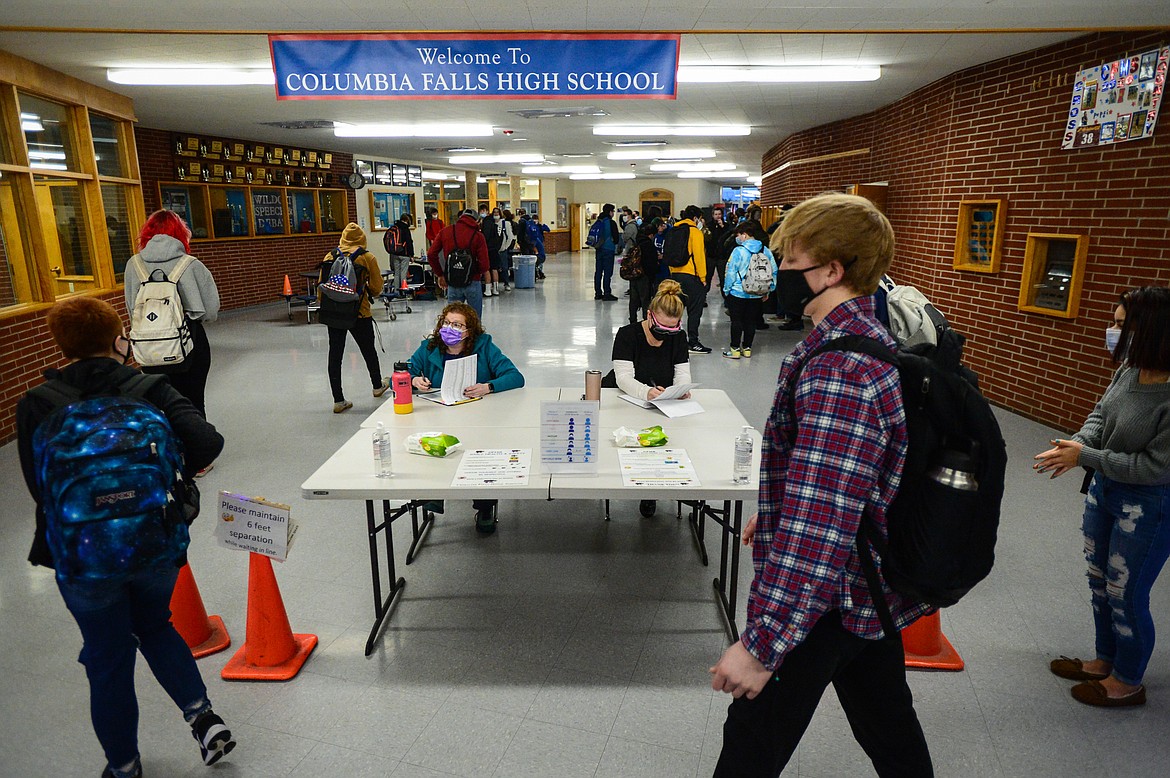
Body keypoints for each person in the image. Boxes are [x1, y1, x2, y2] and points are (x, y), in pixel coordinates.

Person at [710, 193, 933, 777]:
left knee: (751, 743)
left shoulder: (841, 368)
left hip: (826, 596)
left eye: (789, 262)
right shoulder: (859, 339)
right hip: (867, 585)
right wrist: (782, 508)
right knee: (889, 727)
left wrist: (762, 644)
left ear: (832, 271)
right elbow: (831, 484)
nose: (777, 273)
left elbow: (824, 520)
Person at [16, 296, 233, 778]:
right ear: (119, 339)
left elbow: (40, 486)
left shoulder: (38, 403)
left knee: (107, 657)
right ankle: (203, 719)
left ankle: (124, 765)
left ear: (62, 346)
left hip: (84, 558)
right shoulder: (149, 388)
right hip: (154, 543)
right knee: (155, 625)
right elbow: (208, 443)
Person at [1035, 285, 1170, 708]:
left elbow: (1155, 467)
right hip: (1106, 490)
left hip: (1147, 505)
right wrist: (1075, 445)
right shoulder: (1129, 370)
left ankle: (1128, 680)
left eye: (1119, 324)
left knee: (1126, 593)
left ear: (1151, 330)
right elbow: (1100, 415)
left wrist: (1087, 455)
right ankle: (1104, 659)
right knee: (1100, 583)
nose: (1112, 331)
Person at [407, 302, 525, 534]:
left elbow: (515, 376)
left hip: (479, 417)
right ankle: (434, 494)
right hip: (440, 415)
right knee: (434, 443)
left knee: (482, 452)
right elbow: (401, 373)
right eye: (447, 323)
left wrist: (488, 387)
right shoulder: (429, 348)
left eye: (457, 325)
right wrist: (413, 380)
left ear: (469, 331)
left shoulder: (485, 347)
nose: (450, 328)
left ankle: (484, 505)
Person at [604, 279, 692, 519]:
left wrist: (681, 389)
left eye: (672, 329)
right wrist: (647, 392)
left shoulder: (678, 337)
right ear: (650, 315)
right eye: (661, 327)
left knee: (663, 441)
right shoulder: (627, 335)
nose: (666, 333)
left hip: (660, 403)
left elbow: (683, 373)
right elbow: (623, 378)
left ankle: (651, 489)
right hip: (623, 399)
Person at [123, 210, 220, 421]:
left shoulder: (133, 265)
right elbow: (211, 311)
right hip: (190, 343)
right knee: (193, 400)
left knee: (160, 402)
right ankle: (195, 447)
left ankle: (167, 447)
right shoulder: (191, 265)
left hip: (149, 344)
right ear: (181, 234)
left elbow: (132, 309)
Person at [319, 222, 388, 413]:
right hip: (359, 311)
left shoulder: (330, 255)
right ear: (362, 239)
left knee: (335, 355)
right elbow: (376, 287)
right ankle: (377, 386)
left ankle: (338, 400)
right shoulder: (367, 257)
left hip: (334, 311)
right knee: (368, 350)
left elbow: (321, 285)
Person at [722, 220, 777, 359]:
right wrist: (768, 289)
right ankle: (747, 349)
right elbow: (774, 271)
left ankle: (734, 349)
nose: (738, 238)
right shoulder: (765, 250)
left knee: (737, 321)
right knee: (751, 321)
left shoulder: (738, 251)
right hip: (757, 292)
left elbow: (730, 272)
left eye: (739, 235)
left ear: (745, 235)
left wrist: (727, 290)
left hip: (738, 291)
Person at [426, 208, 490, 319]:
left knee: (452, 320)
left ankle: (454, 336)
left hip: (452, 282)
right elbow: (485, 265)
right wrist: (473, 272)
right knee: (474, 320)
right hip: (473, 282)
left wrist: (440, 274)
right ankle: (473, 336)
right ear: (476, 221)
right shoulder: (478, 236)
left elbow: (431, 254)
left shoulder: (446, 231)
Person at [669, 205, 712, 354]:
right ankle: (693, 342)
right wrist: (703, 277)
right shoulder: (695, 232)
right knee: (694, 310)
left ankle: (672, 339)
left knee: (676, 310)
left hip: (675, 275)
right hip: (692, 276)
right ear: (695, 218)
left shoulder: (674, 229)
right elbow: (699, 256)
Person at [628, 218, 663, 325]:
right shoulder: (648, 245)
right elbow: (651, 264)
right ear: (651, 235)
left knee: (633, 299)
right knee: (645, 300)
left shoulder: (636, 243)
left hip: (634, 275)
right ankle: (646, 321)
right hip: (644, 276)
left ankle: (632, 320)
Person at [593, 203, 621, 301]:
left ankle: (598, 293)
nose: (613, 213)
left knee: (598, 271)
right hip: (608, 249)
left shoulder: (599, 221)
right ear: (610, 212)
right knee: (608, 272)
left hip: (599, 249)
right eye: (613, 211)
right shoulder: (611, 223)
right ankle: (607, 293)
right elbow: (616, 238)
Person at [382, 212, 415, 295]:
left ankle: (396, 291)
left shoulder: (394, 227)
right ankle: (403, 292)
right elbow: (409, 242)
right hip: (404, 254)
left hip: (395, 254)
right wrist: (411, 255)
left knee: (397, 273)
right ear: (407, 220)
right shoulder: (405, 229)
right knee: (403, 274)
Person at [481, 207, 504, 296]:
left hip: (487, 249)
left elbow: (485, 236)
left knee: (486, 269)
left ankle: (488, 290)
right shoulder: (495, 224)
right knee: (494, 269)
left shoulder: (486, 222)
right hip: (495, 249)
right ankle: (495, 289)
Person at [499, 208, 517, 288]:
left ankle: (506, 282)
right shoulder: (492, 223)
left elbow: (510, 237)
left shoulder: (506, 224)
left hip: (503, 248)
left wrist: (505, 247)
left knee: (504, 266)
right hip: (498, 247)